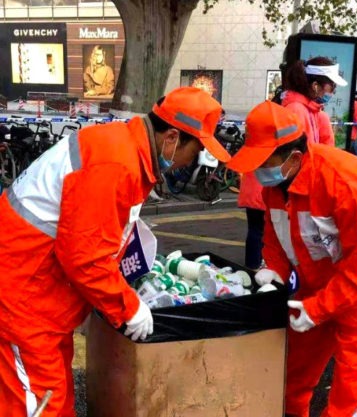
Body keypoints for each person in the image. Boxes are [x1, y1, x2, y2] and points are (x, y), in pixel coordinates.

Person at [0, 87, 232, 417]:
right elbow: (85, 256)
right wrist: (127, 309)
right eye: (195, 151)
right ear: (171, 138)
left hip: (36, 288)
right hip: (23, 296)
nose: (192, 162)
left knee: (52, 393)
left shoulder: (123, 148)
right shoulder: (116, 163)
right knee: (38, 404)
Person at [226, 100, 357, 417]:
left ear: (294, 157)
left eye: (263, 161)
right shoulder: (277, 185)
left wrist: (319, 307)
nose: (257, 171)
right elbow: (275, 236)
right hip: (318, 275)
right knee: (294, 370)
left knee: (352, 375)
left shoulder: (344, 181)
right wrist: (275, 270)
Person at [281, 56, 347, 146]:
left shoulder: (312, 110)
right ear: (315, 86)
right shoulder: (296, 110)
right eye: (332, 86)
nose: (334, 92)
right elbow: (292, 150)